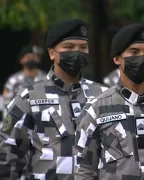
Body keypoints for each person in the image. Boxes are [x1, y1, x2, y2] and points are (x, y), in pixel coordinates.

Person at [74, 23, 144, 180]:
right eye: (134, 52)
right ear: (117, 58)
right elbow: (84, 170)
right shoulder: (97, 109)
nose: (142, 58)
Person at [0, 19, 107, 179]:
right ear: (52, 53)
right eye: (68, 47)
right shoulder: (30, 97)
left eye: (82, 47)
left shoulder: (103, 95)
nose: (76, 52)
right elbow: (7, 160)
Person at [3, 45, 46, 114]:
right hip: (19, 119)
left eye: (33, 57)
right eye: (28, 57)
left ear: (38, 59)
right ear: (21, 60)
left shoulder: (45, 78)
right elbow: (7, 102)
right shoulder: (13, 80)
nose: (31, 59)